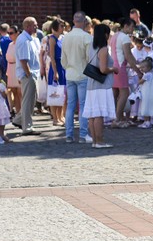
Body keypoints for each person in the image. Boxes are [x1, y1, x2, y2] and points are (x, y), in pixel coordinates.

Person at [83, 24, 119, 148]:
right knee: (98, 114)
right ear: (105, 34)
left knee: (92, 115)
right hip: (101, 84)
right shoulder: (103, 49)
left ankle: (95, 141)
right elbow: (103, 69)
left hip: (91, 84)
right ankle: (99, 141)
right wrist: (114, 69)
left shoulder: (92, 47)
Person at [61, 12, 93, 143]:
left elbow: (63, 59)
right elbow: (89, 58)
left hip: (70, 73)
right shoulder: (87, 37)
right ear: (85, 21)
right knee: (83, 105)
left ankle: (69, 135)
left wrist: (68, 68)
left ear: (74, 21)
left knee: (70, 106)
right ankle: (83, 134)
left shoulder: (66, 37)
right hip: (83, 74)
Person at [12, 17, 41, 135]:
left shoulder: (30, 39)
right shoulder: (24, 40)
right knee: (28, 101)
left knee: (31, 100)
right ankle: (27, 127)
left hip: (31, 74)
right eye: (35, 25)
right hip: (28, 75)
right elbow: (24, 61)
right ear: (28, 26)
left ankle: (18, 119)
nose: (37, 26)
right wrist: (29, 75)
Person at [111, 18, 142, 128]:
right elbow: (128, 55)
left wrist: (137, 63)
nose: (133, 29)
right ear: (126, 26)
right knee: (124, 93)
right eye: (132, 27)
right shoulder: (125, 38)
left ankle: (115, 117)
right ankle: (118, 119)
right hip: (120, 67)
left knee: (115, 93)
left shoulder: (115, 35)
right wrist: (138, 70)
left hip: (113, 66)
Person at [47, 19, 66, 126]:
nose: (63, 28)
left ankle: (60, 116)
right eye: (61, 26)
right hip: (56, 66)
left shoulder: (61, 38)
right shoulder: (52, 39)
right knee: (54, 93)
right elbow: (52, 57)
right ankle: (55, 118)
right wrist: (55, 72)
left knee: (61, 93)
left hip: (62, 66)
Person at [134, 57, 153, 128]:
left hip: (147, 94)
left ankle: (146, 121)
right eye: (141, 67)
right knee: (147, 107)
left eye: (143, 67)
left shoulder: (147, 75)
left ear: (148, 67)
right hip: (148, 93)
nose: (141, 69)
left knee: (145, 107)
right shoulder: (151, 74)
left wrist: (138, 79)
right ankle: (147, 121)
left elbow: (140, 82)